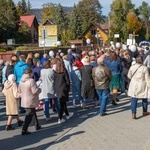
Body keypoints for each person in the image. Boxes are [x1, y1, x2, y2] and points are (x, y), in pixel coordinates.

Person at [18, 68, 41, 135]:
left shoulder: (21, 81)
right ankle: (24, 129)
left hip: (24, 99)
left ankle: (37, 125)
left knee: (32, 111)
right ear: (30, 73)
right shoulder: (31, 81)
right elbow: (34, 91)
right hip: (31, 99)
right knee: (29, 114)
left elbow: (19, 90)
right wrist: (39, 89)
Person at [54, 59, 74, 123]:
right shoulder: (64, 71)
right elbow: (67, 81)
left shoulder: (55, 72)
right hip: (64, 88)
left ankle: (67, 114)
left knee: (63, 103)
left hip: (58, 89)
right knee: (62, 104)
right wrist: (68, 88)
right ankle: (60, 118)